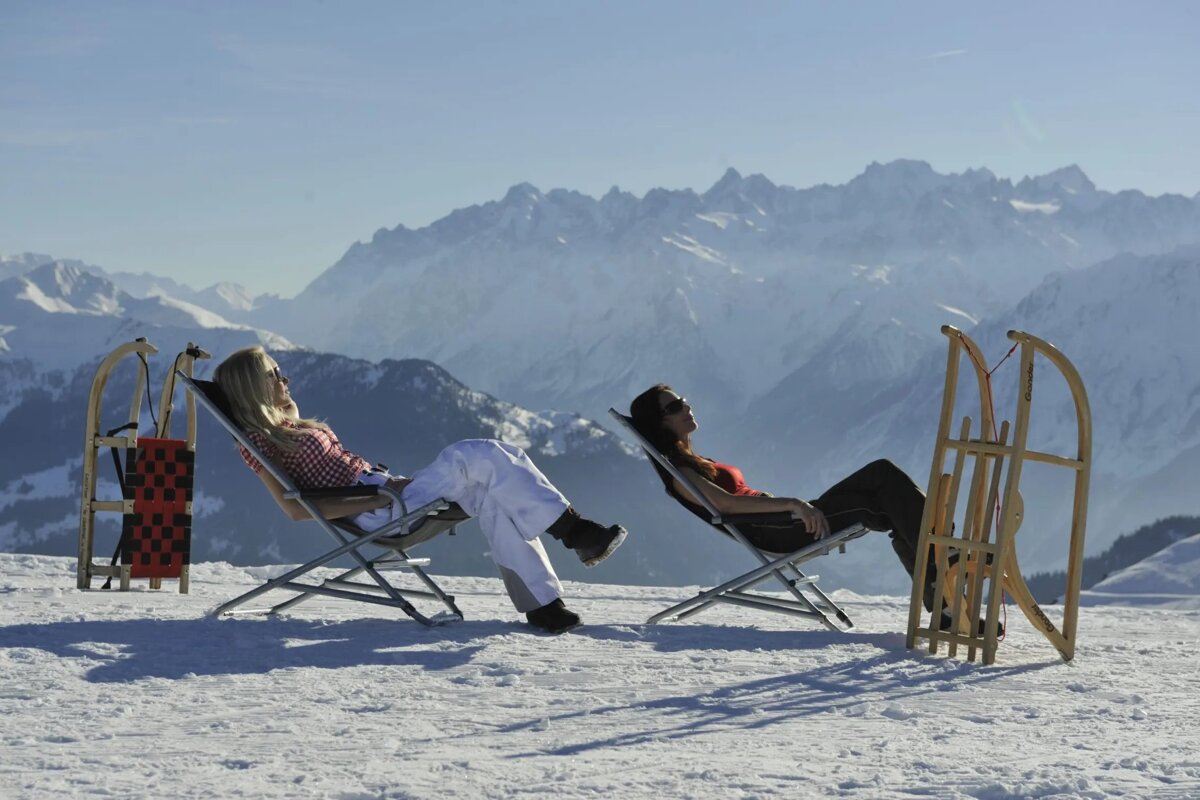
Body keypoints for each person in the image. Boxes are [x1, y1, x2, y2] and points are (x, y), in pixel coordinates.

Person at [212, 346, 627, 634]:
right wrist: (379, 496)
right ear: (252, 387)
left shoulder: (287, 425)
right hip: (378, 511)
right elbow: (296, 509)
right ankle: (575, 532)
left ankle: (543, 606)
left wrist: (286, 407)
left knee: (493, 489)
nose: (285, 378)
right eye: (273, 375)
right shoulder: (260, 442)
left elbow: (297, 431)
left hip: (387, 493)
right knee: (473, 453)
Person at [629, 383, 959, 622]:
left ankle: (942, 594)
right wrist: (795, 504)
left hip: (783, 521)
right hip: (780, 529)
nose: (686, 408)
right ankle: (947, 561)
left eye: (683, 401)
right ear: (659, 424)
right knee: (884, 482)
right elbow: (727, 506)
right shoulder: (679, 473)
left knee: (887, 495)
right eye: (673, 408)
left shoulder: (694, 461)